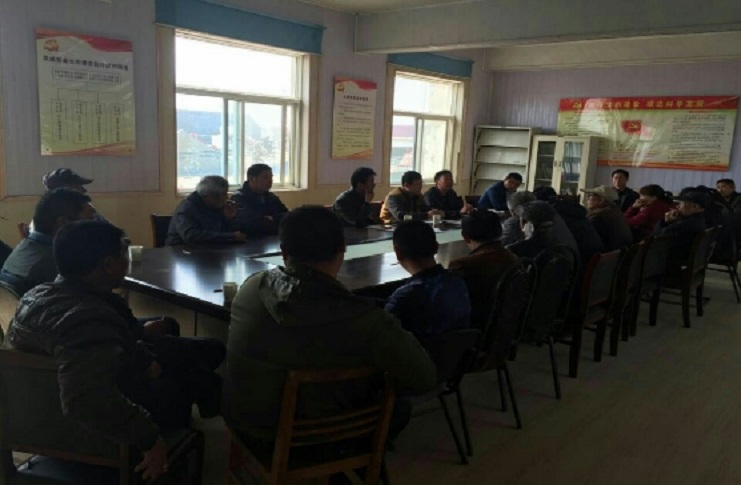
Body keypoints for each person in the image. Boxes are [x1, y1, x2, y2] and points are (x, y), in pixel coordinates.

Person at [6, 221, 226, 481]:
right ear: (108, 264)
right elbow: (85, 400)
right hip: (100, 426)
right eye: (124, 253)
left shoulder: (37, 296)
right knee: (185, 365)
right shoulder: (88, 322)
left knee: (192, 349)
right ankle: (213, 419)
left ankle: (211, 398)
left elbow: (101, 348)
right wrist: (149, 438)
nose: (127, 259)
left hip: (43, 410)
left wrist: (140, 355)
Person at [224, 206, 436, 448]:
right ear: (343, 247)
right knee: (398, 407)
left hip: (242, 426)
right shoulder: (366, 319)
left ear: (283, 251)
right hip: (319, 441)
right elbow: (424, 378)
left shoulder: (251, 288)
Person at [0, 188, 97, 296]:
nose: (96, 226)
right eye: (91, 220)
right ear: (63, 223)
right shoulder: (57, 263)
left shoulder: (25, 248)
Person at [385, 220, 471, 338]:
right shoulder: (458, 283)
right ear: (436, 247)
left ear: (398, 252)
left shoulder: (403, 297)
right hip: (458, 349)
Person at [448, 210, 518, 330]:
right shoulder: (513, 258)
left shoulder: (462, 265)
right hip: (509, 324)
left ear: (465, 236)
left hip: (474, 327)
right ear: (500, 231)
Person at [165, 175, 246, 246]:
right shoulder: (187, 208)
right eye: (223, 194)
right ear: (208, 196)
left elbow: (226, 232)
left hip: (210, 249)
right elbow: (190, 236)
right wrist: (230, 237)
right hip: (180, 250)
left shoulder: (216, 206)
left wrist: (230, 219)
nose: (226, 197)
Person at [654, 191, 709, 269]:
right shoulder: (699, 220)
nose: (677, 206)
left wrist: (665, 222)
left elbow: (656, 237)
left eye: (681, 203)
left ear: (695, 207)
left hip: (670, 261)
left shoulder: (686, 224)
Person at [231, 164, 289, 237]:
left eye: (271, 177)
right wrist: (272, 221)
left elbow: (287, 217)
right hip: (250, 240)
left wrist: (273, 218)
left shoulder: (272, 197)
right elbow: (251, 223)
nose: (270, 181)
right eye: (265, 177)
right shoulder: (239, 198)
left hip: (274, 237)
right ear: (252, 178)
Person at [581, 185, 633, 251]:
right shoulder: (615, 210)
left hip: (607, 254)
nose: (586, 199)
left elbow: (587, 240)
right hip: (620, 253)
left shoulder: (597, 216)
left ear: (601, 200)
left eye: (589, 196)